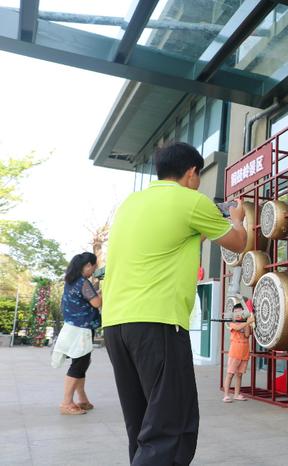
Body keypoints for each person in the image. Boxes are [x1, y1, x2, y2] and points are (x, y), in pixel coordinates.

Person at [102, 142, 248, 466]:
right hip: (158, 322)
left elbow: (179, 238)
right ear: (192, 173)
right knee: (171, 427)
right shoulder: (189, 200)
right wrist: (237, 218)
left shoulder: (132, 203)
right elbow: (238, 242)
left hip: (115, 324)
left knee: (142, 426)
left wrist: (208, 223)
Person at [52, 252, 101, 415]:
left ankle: (82, 399)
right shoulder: (83, 282)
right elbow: (96, 303)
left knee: (81, 362)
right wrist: (104, 291)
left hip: (73, 327)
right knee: (79, 364)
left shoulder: (71, 281)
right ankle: (66, 403)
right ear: (87, 265)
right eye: (93, 267)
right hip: (81, 328)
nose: (94, 271)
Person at [223, 303, 255, 402]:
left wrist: (247, 322)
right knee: (230, 373)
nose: (238, 314)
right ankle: (226, 395)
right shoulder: (232, 322)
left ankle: (236, 394)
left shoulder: (246, 322)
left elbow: (246, 335)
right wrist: (248, 322)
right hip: (235, 351)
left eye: (241, 312)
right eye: (236, 312)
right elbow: (236, 328)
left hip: (244, 351)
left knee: (239, 374)